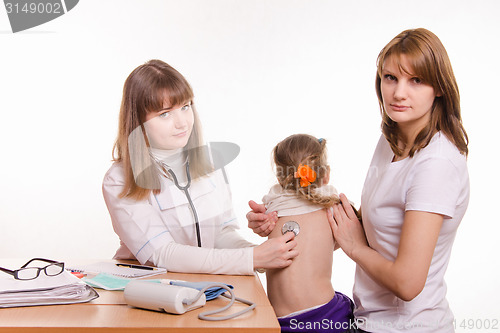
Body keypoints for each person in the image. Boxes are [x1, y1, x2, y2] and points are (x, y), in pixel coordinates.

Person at [247, 28, 469, 333]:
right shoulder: (391, 139)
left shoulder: (437, 164)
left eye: (416, 80)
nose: (399, 93)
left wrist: (354, 246)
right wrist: (285, 223)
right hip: (368, 319)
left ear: (439, 87)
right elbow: (379, 224)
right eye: (390, 78)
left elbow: (407, 283)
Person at [103, 59, 298, 275]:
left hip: (208, 287)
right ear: (138, 121)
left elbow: (221, 234)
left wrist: (261, 254)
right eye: (165, 113)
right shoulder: (120, 179)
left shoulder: (210, 163)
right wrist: (251, 258)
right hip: (149, 290)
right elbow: (162, 254)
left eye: (185, 107)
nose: (182, 123)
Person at [263, 134, 354, 332]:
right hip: (326, 318)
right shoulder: (331, 207)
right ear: (326, 174)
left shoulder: (272, 208)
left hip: (281, 323)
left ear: (279, 178)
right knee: (347, 305)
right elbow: (345, 240)